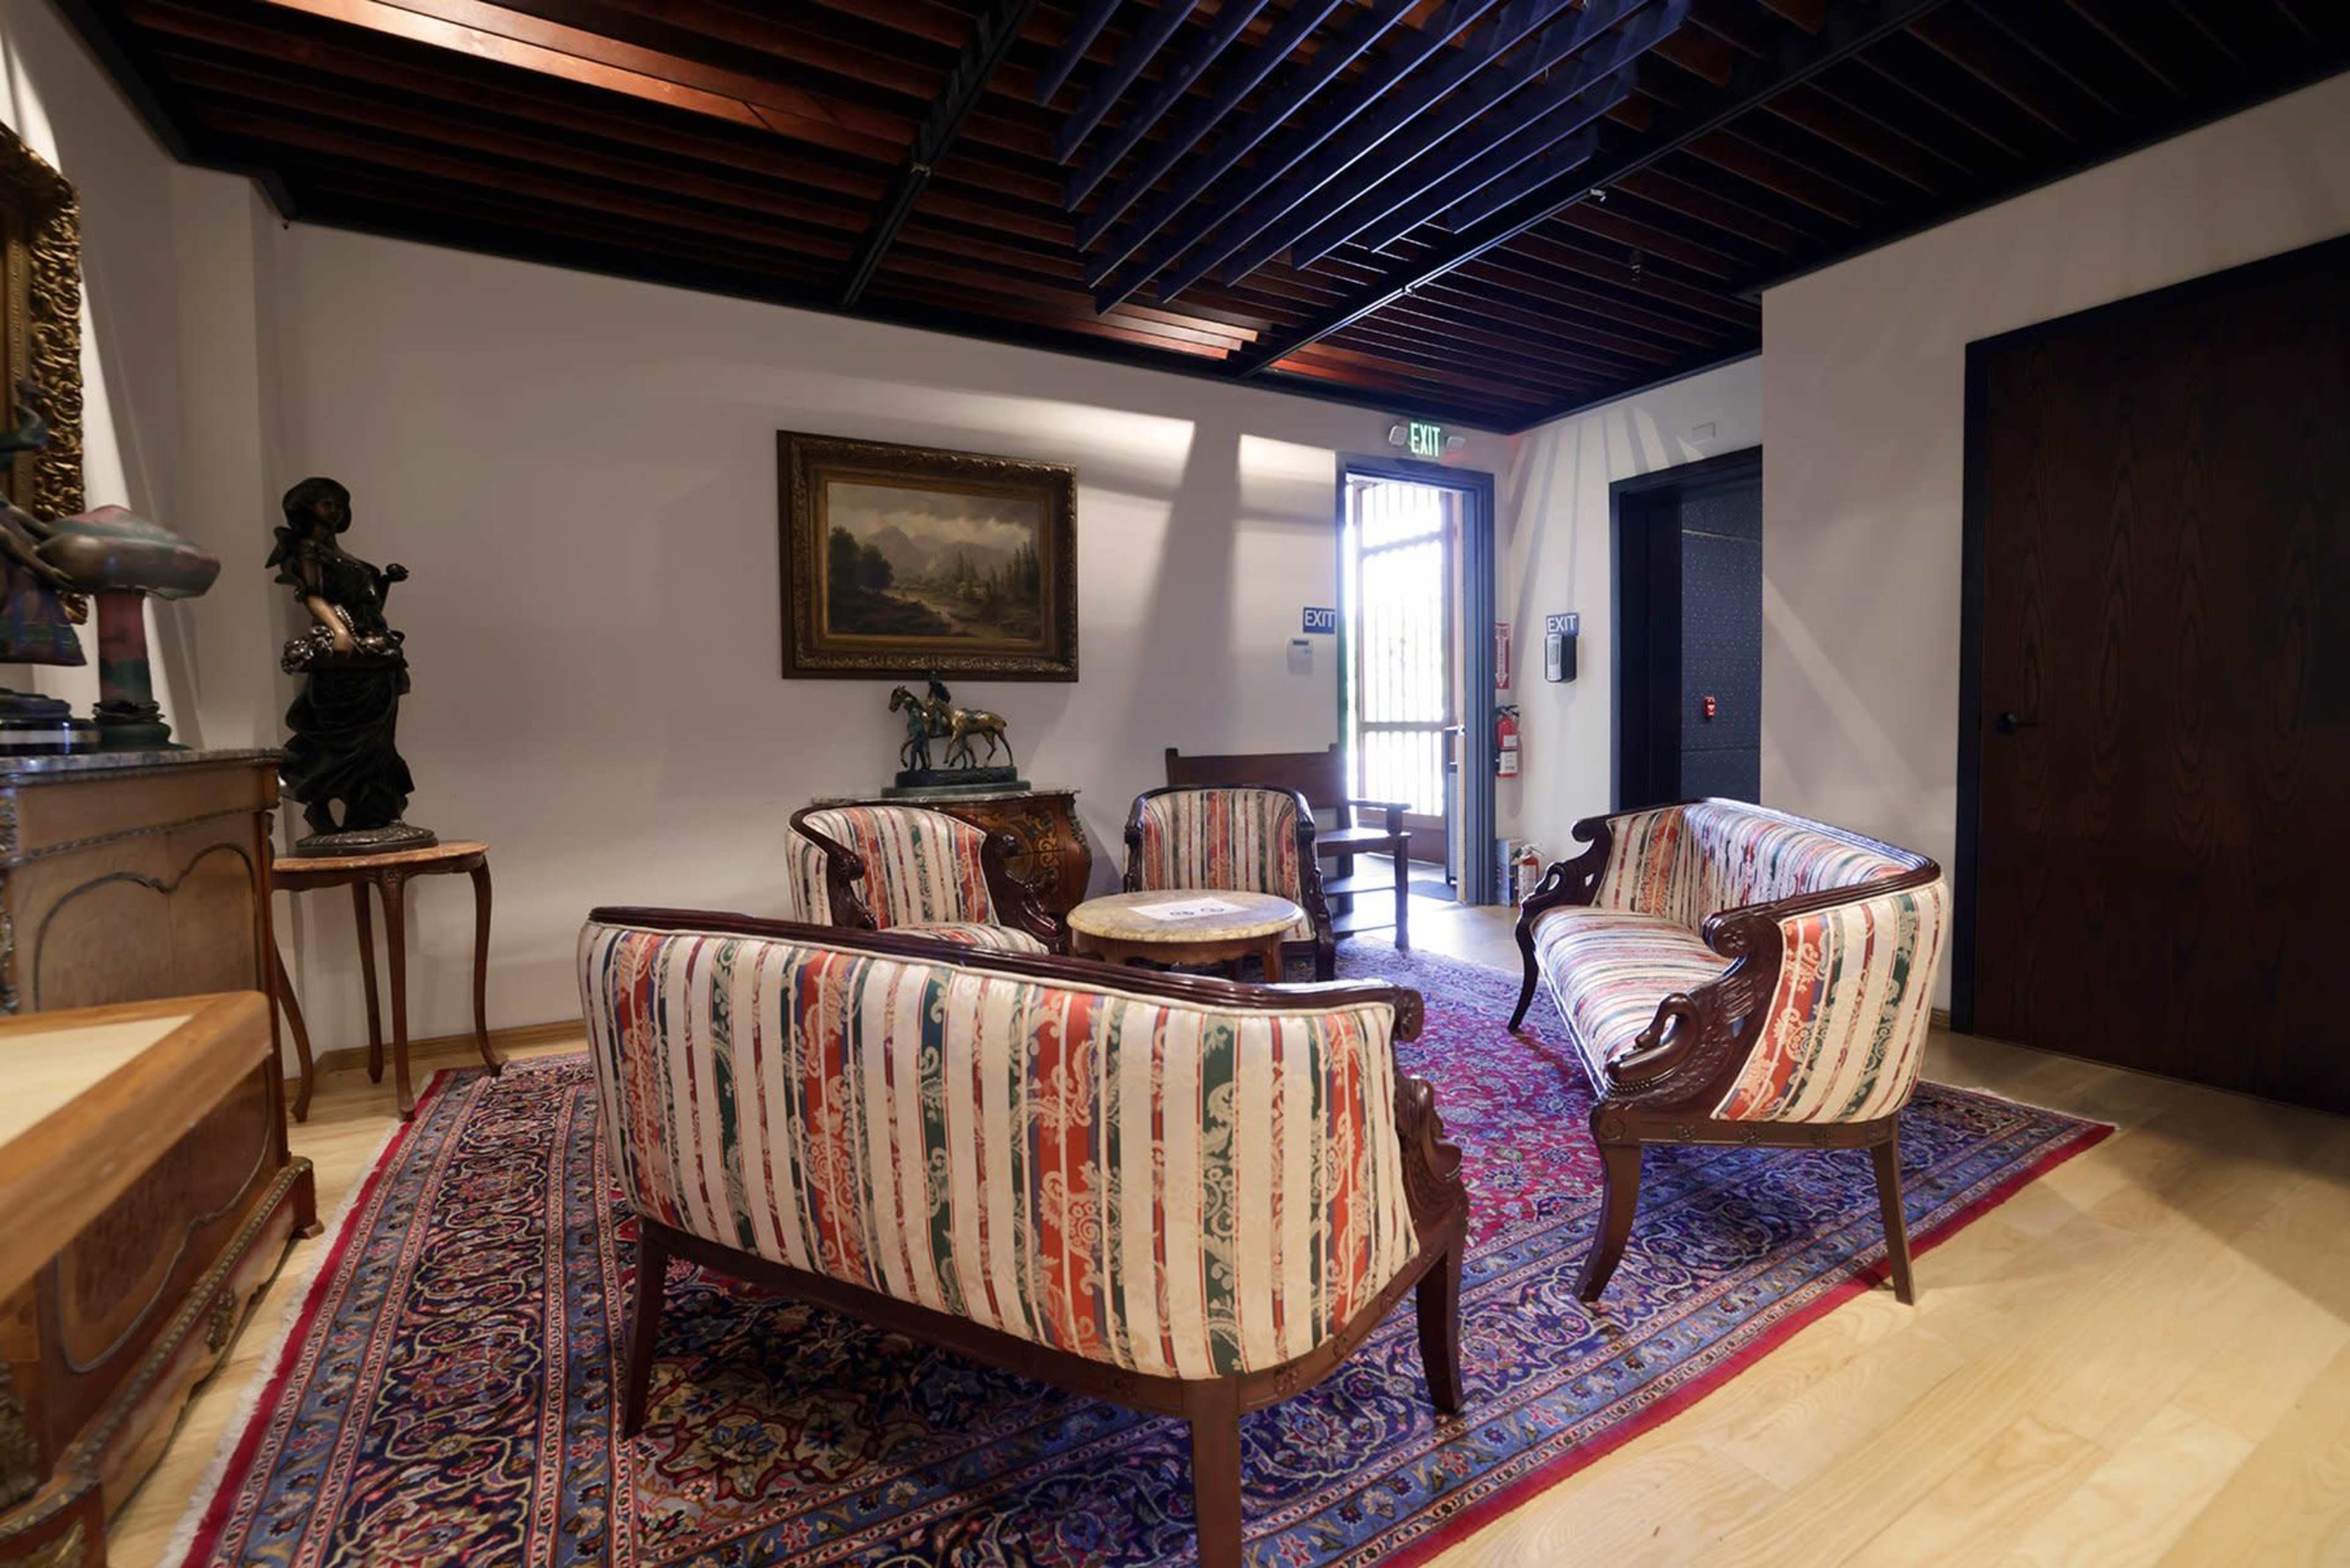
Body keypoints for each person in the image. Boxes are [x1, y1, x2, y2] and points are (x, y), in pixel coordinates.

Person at [268, 477, 422, 844]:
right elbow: (314, 596)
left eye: (339, 504)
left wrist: (384, 582)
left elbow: (367, 607)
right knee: (343, 737)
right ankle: (321, 803)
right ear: (306, 508)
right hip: (346, 657)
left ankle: (373, 813)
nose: (334, 510)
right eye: (326, 503)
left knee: (378, 741)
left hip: (374, 652)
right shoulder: (309, 549)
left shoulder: (344, 556)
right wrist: (338, 632)